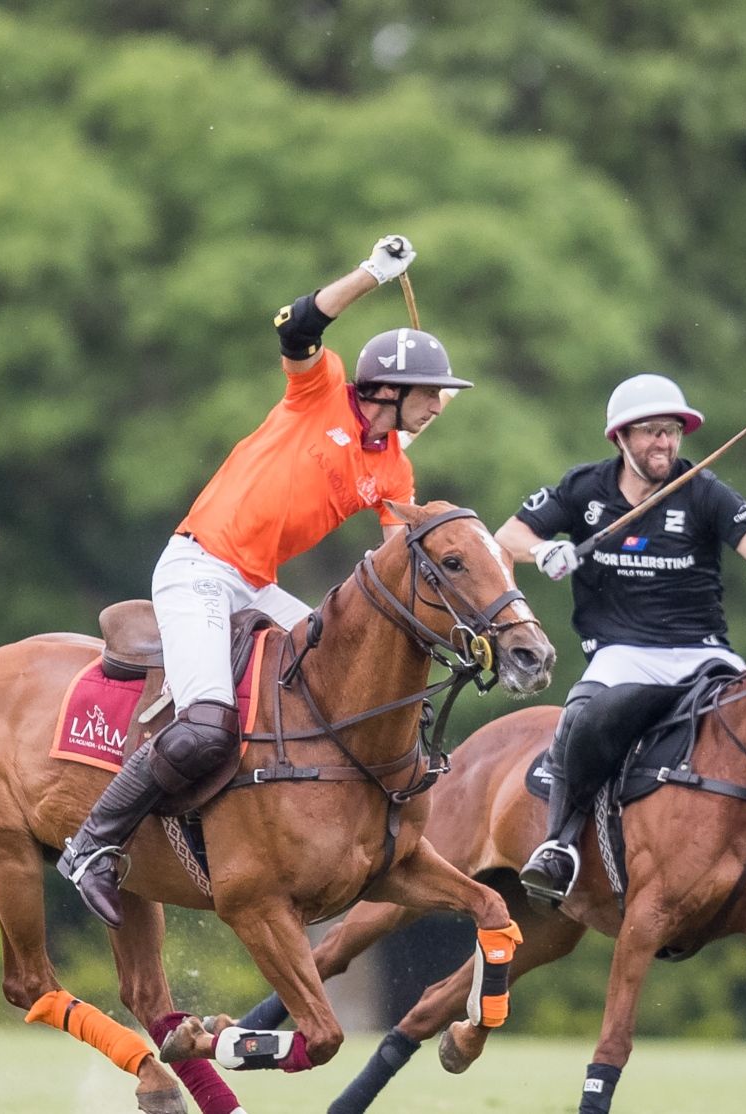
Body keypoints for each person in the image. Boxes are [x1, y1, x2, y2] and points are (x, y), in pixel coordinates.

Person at [57, 234, 475, 928]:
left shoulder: (392, 470)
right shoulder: (319, 394)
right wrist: (371, 273)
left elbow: (407, 567)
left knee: (336, 670)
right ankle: (92, 845)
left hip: (253, 584)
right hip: (197, 568)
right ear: (389, 391)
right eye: (432, 394)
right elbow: (296, 323)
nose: (440, 406)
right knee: (206, 729)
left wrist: (463, 618)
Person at [493, 373, 746, 930]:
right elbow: (504, 539)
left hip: (703, 652)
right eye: (650, 433)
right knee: (583, 719)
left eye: (671, 432)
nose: (664, 444)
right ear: (620, 437)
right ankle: (560, 846)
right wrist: (545, 550)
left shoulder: (706, 492)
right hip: (621, 651)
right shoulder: (582, 490)